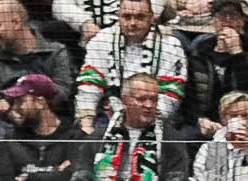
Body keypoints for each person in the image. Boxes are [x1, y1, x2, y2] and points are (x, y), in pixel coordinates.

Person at [75, 0, 188, 132]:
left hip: (156, 119)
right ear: (118, 16)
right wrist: (86, 126)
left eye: (140, 17)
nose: (133, 23)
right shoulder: (102, 40)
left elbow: (170, 93)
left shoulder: (170, 45)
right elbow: (90, 85)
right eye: (127, 17)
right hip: (107, 116)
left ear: (151, 17)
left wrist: (142, 121)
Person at [0, 2, 77, 117]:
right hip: (10, 120)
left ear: (16, 23)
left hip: (53, 118)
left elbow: (64, 90)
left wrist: (32, 99)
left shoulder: (56, 52)